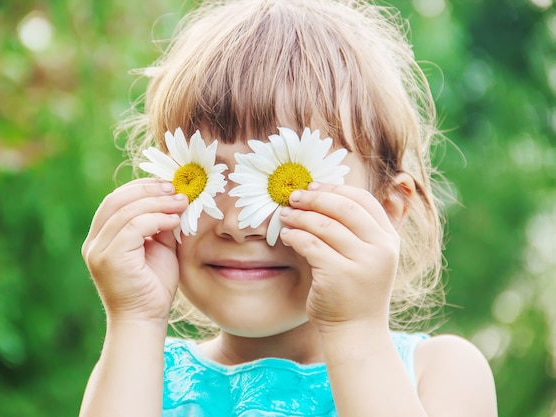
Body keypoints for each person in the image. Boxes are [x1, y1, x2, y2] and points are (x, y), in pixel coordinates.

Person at [79, 0, 498, 416]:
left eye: (285, 181)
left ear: (386, 209)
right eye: (204, 176)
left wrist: (356, 330)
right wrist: (134, 320)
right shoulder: (141, 375)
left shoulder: (439, 375)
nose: (236, 223)